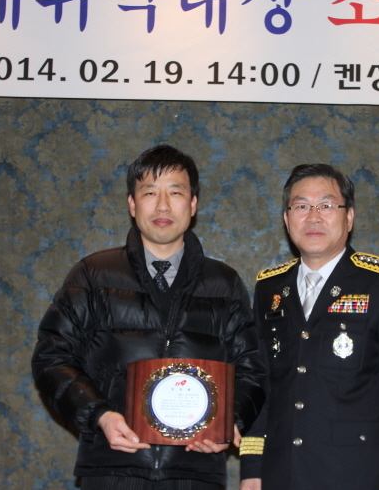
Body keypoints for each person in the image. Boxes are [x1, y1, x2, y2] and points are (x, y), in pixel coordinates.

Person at [32, 144, 265, 490]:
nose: (163, 206)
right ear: (132, 204)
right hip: (113, 467)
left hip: (195, 471)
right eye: (150, 192)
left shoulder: (224, 284)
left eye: (176, 192)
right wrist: (100, 416)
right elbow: (52, 358)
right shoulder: (93, 275)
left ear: (193, 204)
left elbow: (251, 370)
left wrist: (227, 421)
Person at [239, 163, 379, 490]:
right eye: (301, 206)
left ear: (349, 217)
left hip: (356, 476)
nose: (313, 217)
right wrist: (252, 470)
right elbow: (264, 388)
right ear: (286, 218)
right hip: (279, 475)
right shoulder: (270, 289)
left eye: (327, 205)